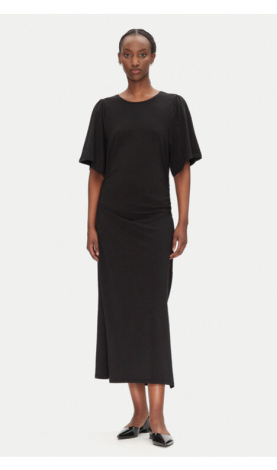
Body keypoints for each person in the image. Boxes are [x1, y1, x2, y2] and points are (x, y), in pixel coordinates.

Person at [79, 28, 202, 448]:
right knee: (120, 313)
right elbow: (96, 173)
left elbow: (181, 168)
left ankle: (159, 415)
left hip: (154, 225)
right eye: (128, 54)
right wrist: (91, 225)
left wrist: (183, 221)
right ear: (118, 58)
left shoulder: (172, 107)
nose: (135, 61)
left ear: (153, 57)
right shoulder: (105, 110)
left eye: (142, 54)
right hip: (113, 225)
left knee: (151, 314)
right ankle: (138, 412)